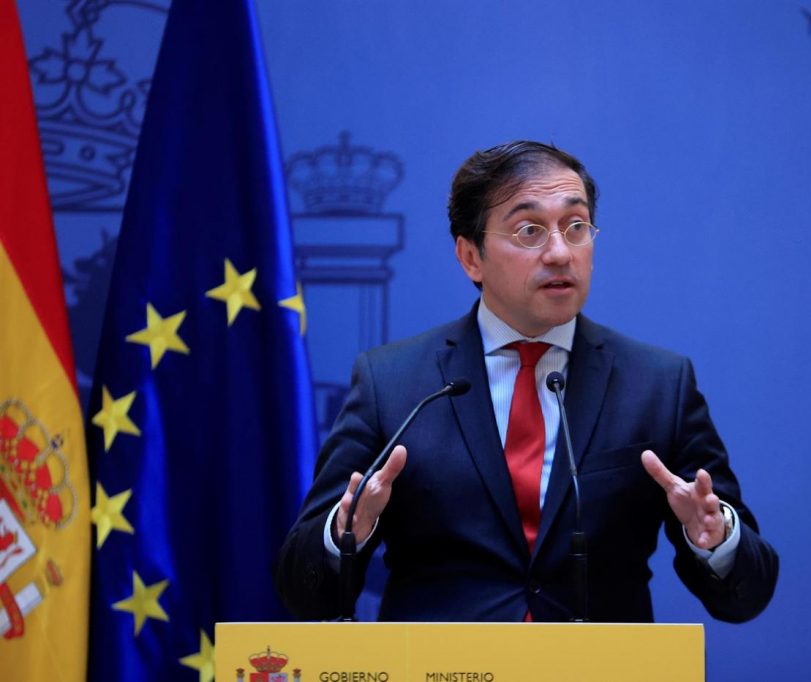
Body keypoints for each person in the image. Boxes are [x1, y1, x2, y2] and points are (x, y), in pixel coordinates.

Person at [274, 141, 778, 623]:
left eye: (576, 226)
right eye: (529, 230)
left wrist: (715, 539)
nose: (560, 252)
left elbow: (747, 596)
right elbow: (301, 590)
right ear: (471, 257)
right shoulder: (393, 383)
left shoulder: (658, 384)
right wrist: (347, 533)